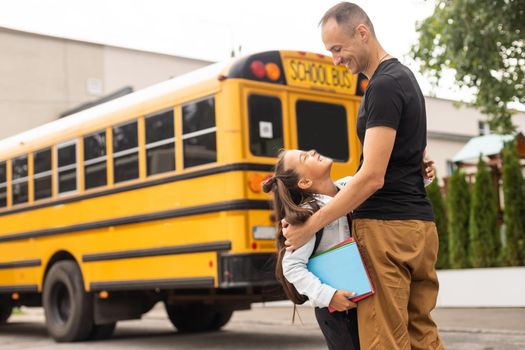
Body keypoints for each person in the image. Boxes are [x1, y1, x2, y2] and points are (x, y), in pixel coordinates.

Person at [281, 3, 444, 350]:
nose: (336, 60)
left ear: (362, 33)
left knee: (384, 340)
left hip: (386, 231)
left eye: (337, 49)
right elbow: (403, 155)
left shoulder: (382, 87)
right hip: (420, 228)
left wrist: (310, 226)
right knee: (421, 336)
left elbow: (371, 177)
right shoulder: (405, 78)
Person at [263, 148, 360, 350]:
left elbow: (382, 185)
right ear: (304, 182)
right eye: (304, 157)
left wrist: (421, 176)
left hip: (363, 297)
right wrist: (329, 296)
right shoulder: (306, 216)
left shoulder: (349, 186)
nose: (312, 151)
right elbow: (292, 267)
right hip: (336, 311)